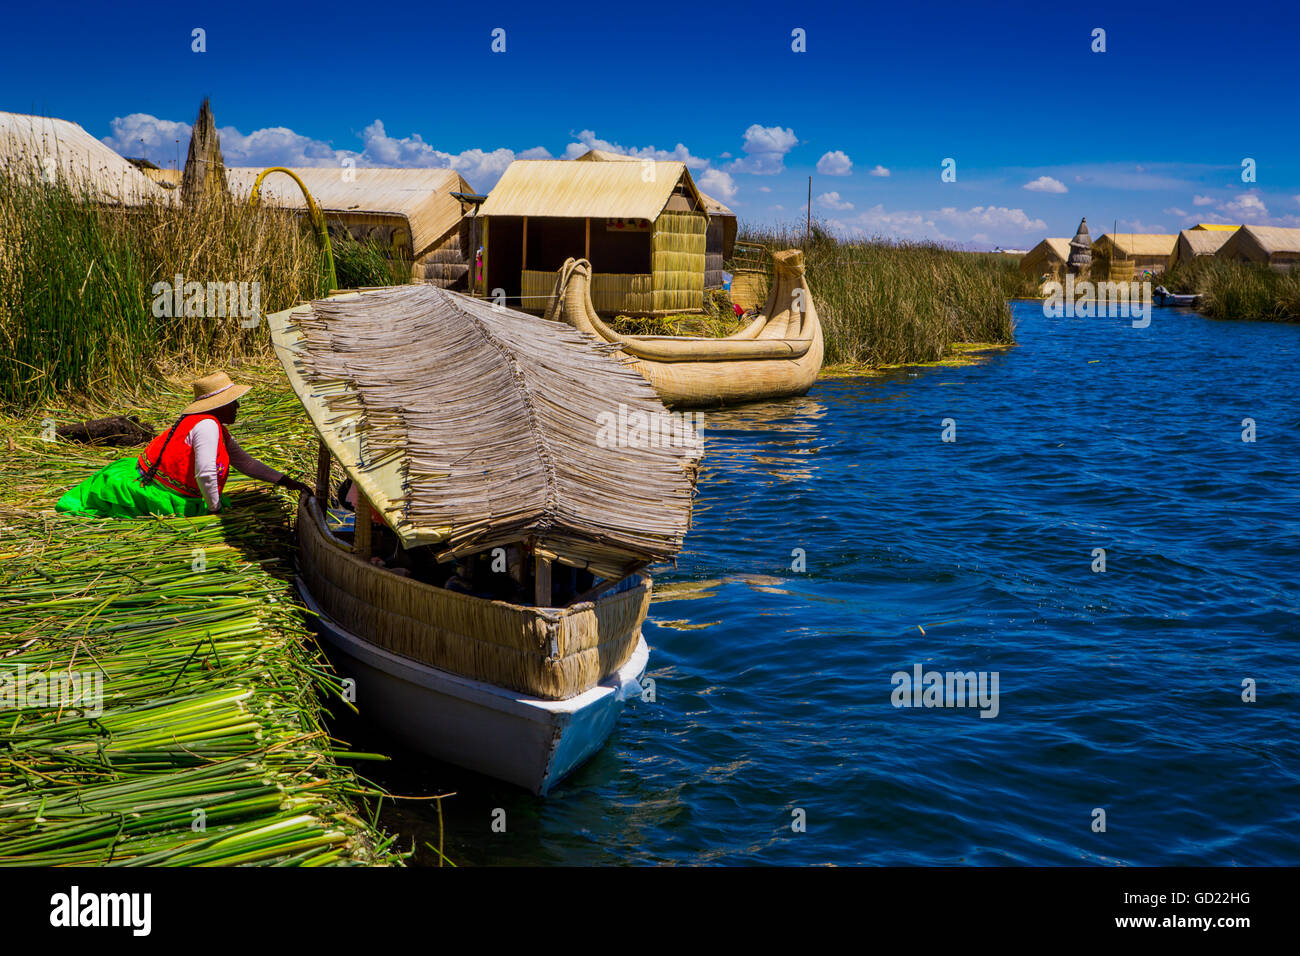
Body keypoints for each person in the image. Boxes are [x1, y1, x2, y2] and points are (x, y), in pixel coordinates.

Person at [56, 371, 312, 518]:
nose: (237, 407)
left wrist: (284, 481)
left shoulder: (215, 427)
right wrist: (215, 509)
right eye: (232, 402)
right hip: (165, 495)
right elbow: (205, 473)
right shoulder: (207, 426)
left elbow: (244, 462)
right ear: (218, 405)